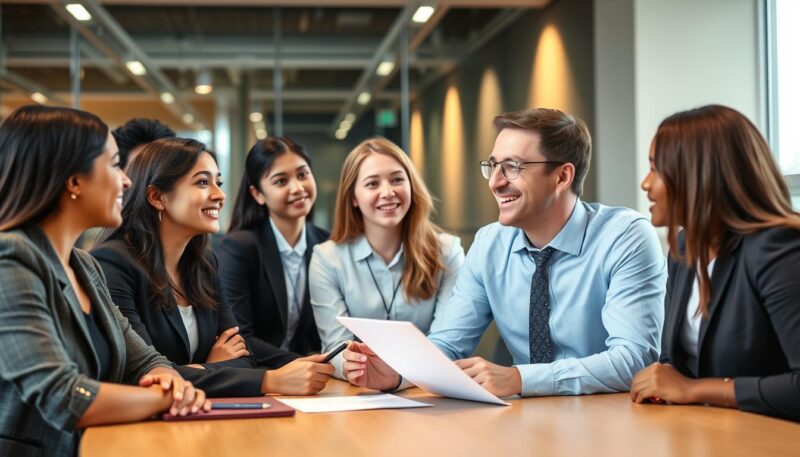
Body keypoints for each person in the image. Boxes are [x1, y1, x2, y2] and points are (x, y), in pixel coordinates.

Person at [343, 108, 666, 397]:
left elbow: (634, 359)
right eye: (493, 166)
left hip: (611, 418)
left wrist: (520, 379)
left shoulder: (625, 236)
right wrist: (399, 374)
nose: (495, 182)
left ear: (562, 176)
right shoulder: (490, 244)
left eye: (512, 167)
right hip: (525, 421)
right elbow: (448, 343)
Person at [0, 106, 208, 456]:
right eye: (114, 165)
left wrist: (170, 380)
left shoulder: (85, 265)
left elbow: (144, 361)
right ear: (74, 182)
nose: (126, 180)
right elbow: (63, 397)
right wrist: (163, 397)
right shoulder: (10, 260)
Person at [92, 138, 334, 397]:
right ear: (157, 197)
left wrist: (197, 371)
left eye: (218, 182)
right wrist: (267, 379)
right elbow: (145, 374)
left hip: (203, 411)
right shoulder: (113, 263)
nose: (220, 195)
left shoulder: (204, 264)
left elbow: (245, 358)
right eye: (202, 182)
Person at [632, 104, 800, 421]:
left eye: (656, 168)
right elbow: (673, 362)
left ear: (698, 175)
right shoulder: (684, 247)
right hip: (710, 431)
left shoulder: (778, 248)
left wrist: (694, 390)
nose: (646, 183)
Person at [310, 137, 465, 379]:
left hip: (430, 388)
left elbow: (449, 341)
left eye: (397, 180)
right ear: (353, 198)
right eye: (372, 184)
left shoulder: (447, 251)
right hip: (360, 388)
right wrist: (351, 366)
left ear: (412, 185)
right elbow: (335, 346)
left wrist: (398, 377)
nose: (388, 192)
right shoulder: (327, 259)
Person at [217, 137, 328, 368]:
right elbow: (241, 337)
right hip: (258, 375)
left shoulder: (327, 244)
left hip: (314, 376)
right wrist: (302, 363)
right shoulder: (239, 248)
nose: (297, 188)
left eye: (303, 174)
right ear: (257, 194)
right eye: (281, 181)